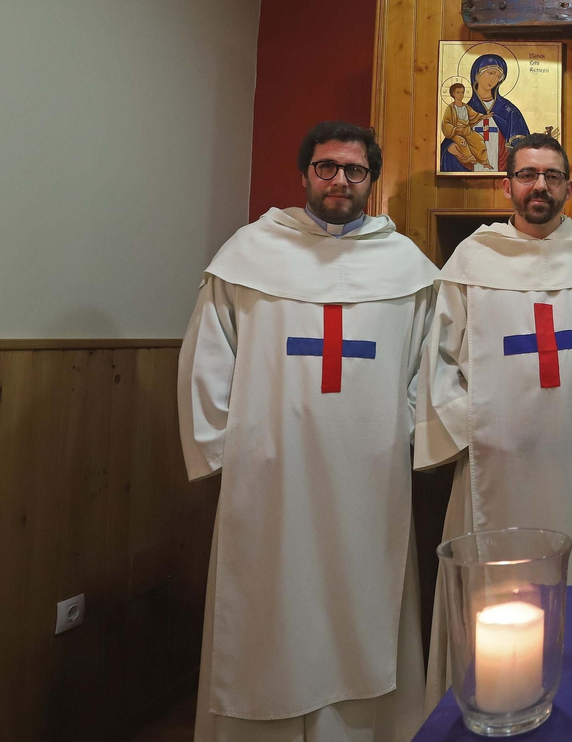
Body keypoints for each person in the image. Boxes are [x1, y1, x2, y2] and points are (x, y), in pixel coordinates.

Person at [178, 121, 438, 742]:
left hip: (369, 476)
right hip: (271, 474)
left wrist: (402, 432)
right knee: (269, 607)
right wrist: (225, 452)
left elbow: (429, 365)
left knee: (364, 606)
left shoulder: (405, 268)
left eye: (354, 170)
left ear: (372, 180)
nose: (339, 180)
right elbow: (207, 357)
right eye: (327, 167)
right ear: (304, 175)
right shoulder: (249, 255)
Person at [416, 133, 572, 709]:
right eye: (527, 176)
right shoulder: (472, 263)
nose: (540, 188)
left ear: (568, 187)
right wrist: (470, 432)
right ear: (506, 185)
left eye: (552, 177)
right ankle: (497, 700)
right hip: (496, 460)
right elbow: (439, 363)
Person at [439, 81, 490, 171]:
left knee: (479, 139)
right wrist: (455, 129)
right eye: (458, 93)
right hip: (456, 132)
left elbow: (474, 115)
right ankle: (469, 158)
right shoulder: (450, 108)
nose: (461, 95)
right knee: (462, 142)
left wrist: (483, 116)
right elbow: (446, 123)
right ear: (453, 94)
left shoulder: (466, 107)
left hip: (467, 131)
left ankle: (484, 161)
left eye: (462, 92)